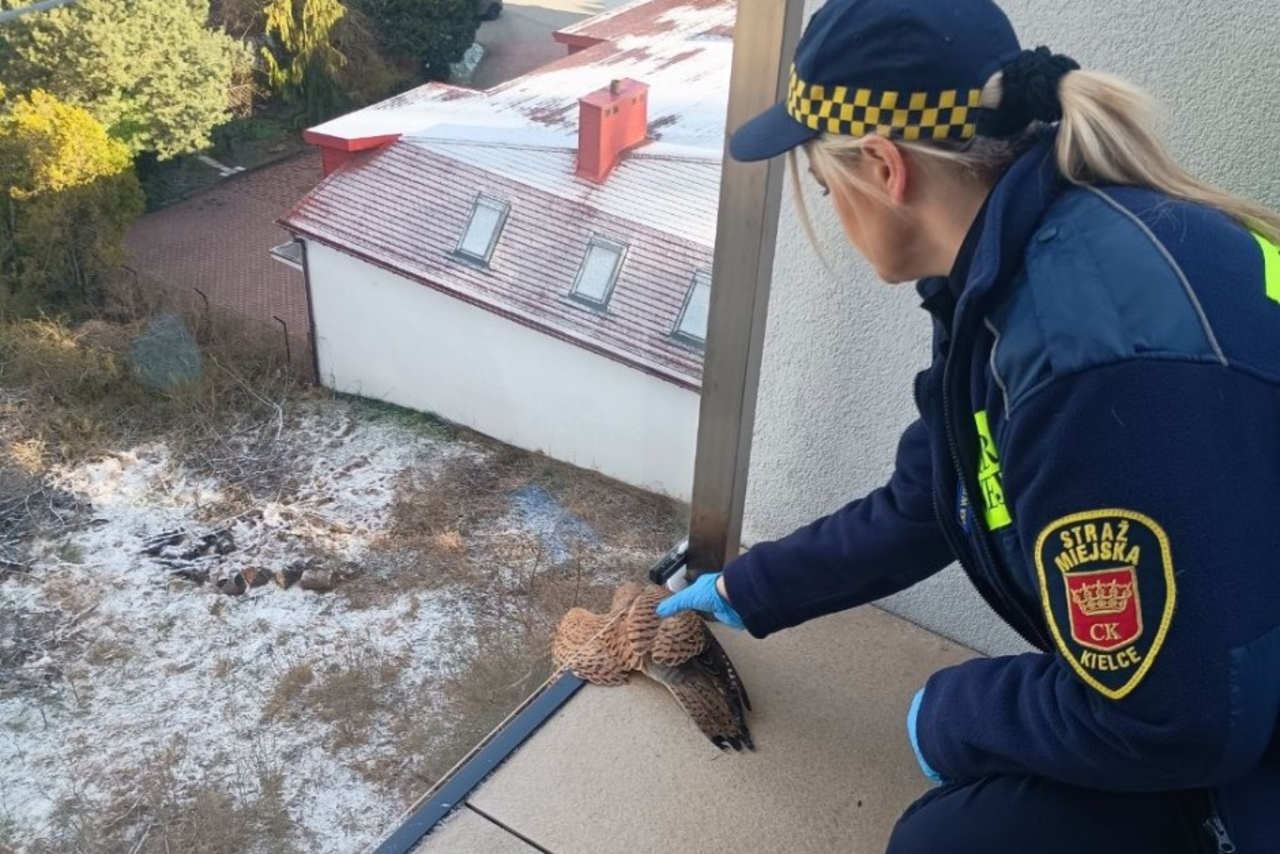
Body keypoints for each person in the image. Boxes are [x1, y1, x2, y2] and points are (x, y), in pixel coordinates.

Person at [654, 0, 1280, 851]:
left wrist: (952, 714)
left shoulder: (1086, 361)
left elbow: (1175, 721)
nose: (830, 207)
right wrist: (746, 589)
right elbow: (934, 495)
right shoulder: (1027, 262)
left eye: (824, 184)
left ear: (885, 167)